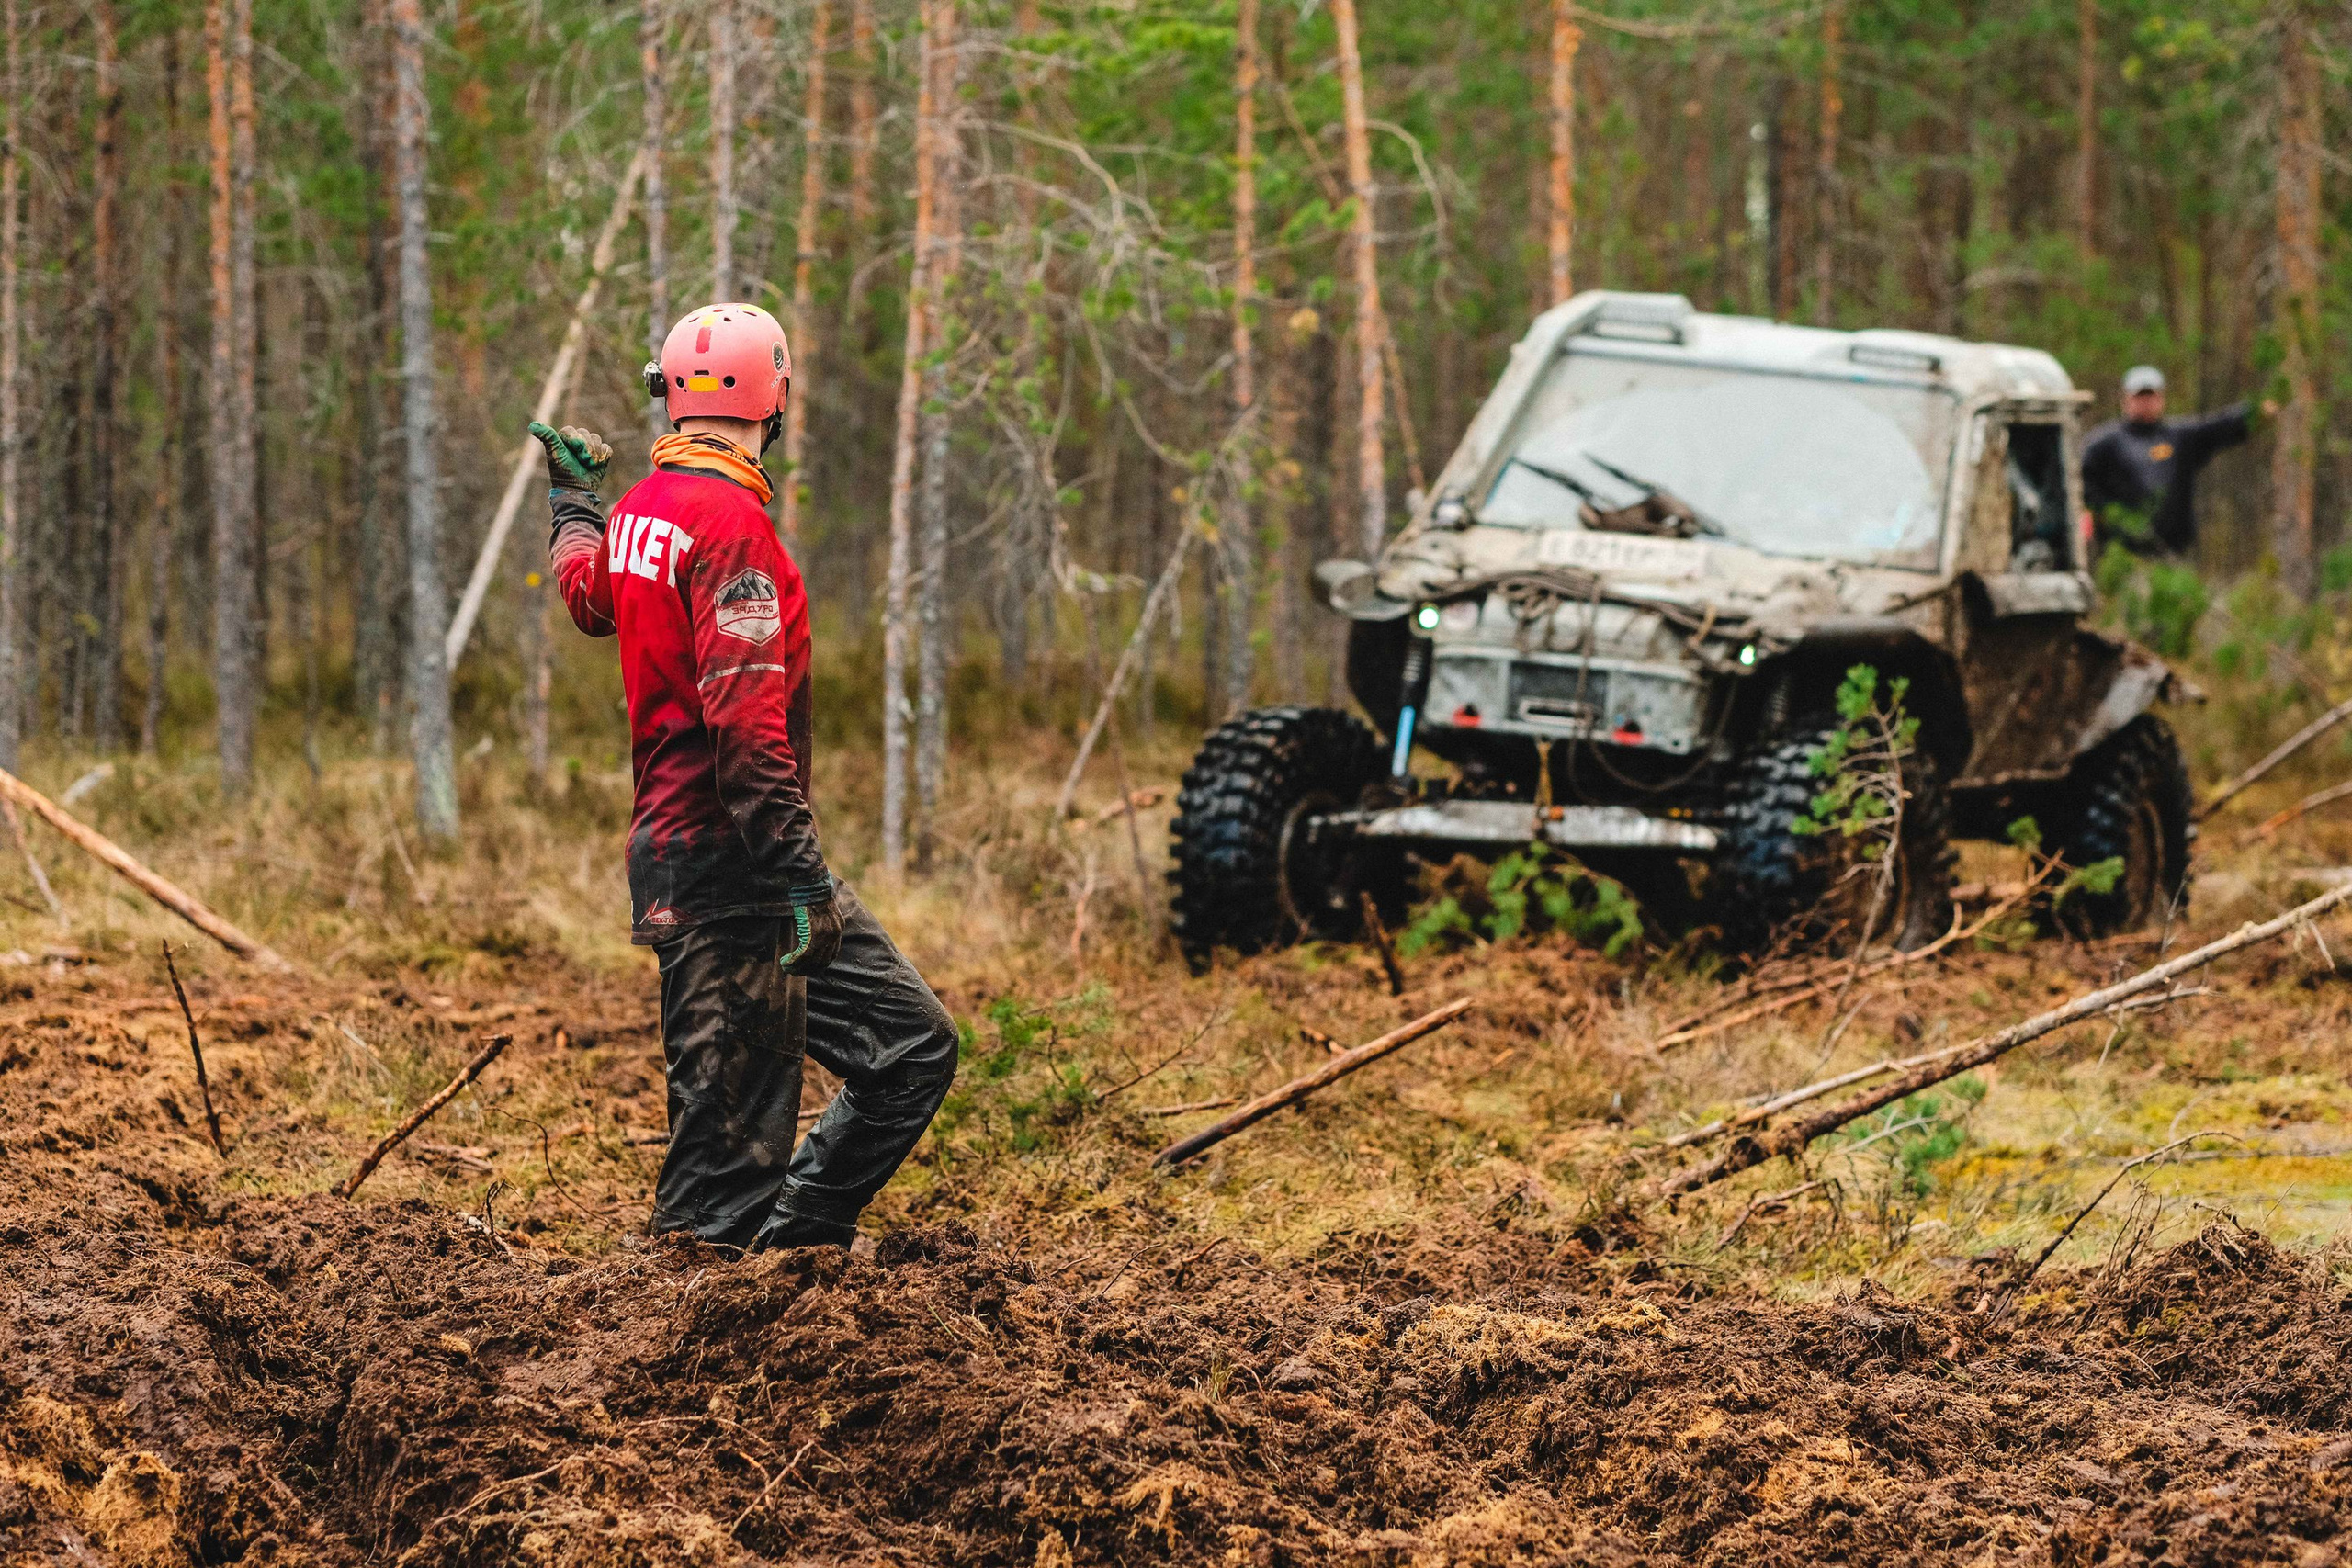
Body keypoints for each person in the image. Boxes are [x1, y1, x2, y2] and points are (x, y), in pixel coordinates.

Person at [532, 302, 956, 1253]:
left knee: (911, 1047)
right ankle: (672, 1347)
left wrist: (571, 505)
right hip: (735, 873)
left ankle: (794, 1256)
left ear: (672, 395)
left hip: (724, 860)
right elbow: (748, 731)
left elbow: (589, 597)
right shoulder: (729, 529)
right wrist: (801, 881)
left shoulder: (643, 510)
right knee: (716, 1194)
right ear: (776, 396)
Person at [2079, 365, 2256, 559]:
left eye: (2151, 396)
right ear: (2125, 400)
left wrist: (2259, 409)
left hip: (2175, 555)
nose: (2145, 402)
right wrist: (2100, 513)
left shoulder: (2181, 437)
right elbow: (2078, 483)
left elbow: (2222, 427)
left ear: (2161, 399)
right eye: (2139, 397)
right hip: (2120, 557)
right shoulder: (2103, 444)